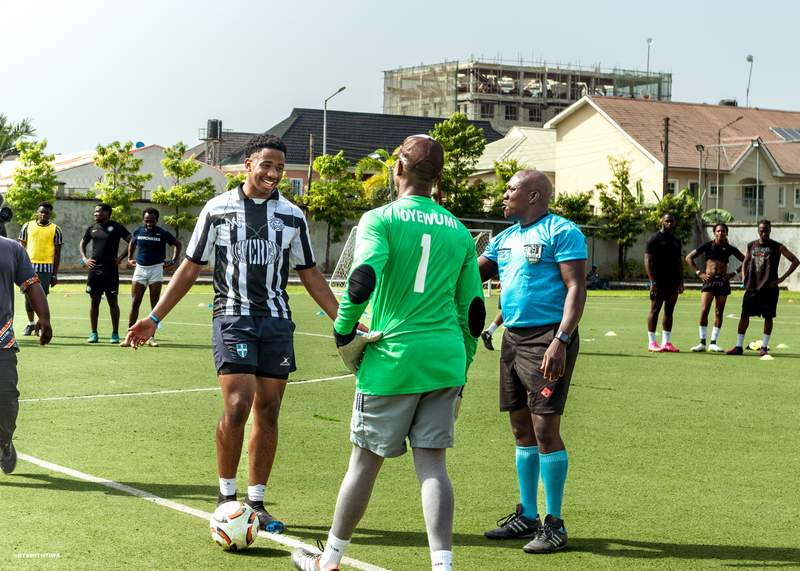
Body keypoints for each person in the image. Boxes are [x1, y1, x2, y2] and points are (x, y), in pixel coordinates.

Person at [126, 134, 340, 533]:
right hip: (232, 317)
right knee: (239, 405)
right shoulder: (218, 209)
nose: (274, 174)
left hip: (276, 321)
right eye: (267, 166)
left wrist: (341, 319)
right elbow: (190, 267)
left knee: (269, 410)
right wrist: (154, 318)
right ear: (248, 166)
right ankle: (227, 498)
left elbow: (310, 273)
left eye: (279, 167)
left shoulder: (293, 216)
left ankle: (256, 502)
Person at [290, 135, 485, 571]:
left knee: (363, 463)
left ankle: (330, 559)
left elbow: (362, 279)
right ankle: (443, 567)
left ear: (398, 169)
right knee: (433, 466)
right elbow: (472, 311)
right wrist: (464, 365)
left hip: (392, 358)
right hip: (445, 359)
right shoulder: (458, 230)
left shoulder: (380, 219)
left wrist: (343, 333)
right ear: (438, 178)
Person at [478, 170, 586, 554]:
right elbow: (472, 275)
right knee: (520, 428)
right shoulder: (504, 238)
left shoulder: (562, 231)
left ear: (534, 195)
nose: (504, 195)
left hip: (547, 338)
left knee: (544, 430)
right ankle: (527, 515)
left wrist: (561, 339)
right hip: (513, 338)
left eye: (511, 189)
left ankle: (554, 523)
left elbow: (576, 287)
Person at [0, 236, 52, 475]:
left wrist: (44, 317)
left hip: (1, 339)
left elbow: (31, 283)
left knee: (6, 396)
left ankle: (3, 442)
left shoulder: (11, 248)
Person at [726, 220, 799, 356]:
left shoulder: (777, 246)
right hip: (752, 288)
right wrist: (743, 275)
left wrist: (782, 279)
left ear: (770, 230)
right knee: (744, 316)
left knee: (768, 317)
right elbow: (746, 261)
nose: (764, 232)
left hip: (769, 289)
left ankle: (764, 347)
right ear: (758, 230)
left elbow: (795, 261)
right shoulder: (751, 245)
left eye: (766, 230)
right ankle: (738, 346)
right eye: (761, 230)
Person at [122, 208, 181, 347]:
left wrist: (174, 260)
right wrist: (130, 258)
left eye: (152, 221)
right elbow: (132, 242)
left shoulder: (162, 233)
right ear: (143, 220)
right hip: (140, 269)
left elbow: (177, 244)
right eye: (147, 220)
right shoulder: (138, 231)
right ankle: (128, 337)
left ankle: (151, 338)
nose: (149, 223)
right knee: (135, 302)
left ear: (157, 220)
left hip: (156, 269)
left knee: (154, 304)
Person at [685, 223, 744, 352]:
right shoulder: (708, 245)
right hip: (709, 281)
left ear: (726, 233)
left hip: (722, 282)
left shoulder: (730, 248)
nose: (720, 233)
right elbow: (689, 258)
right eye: (718, 231)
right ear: (714, 233)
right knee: (704, 310)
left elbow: (746, 260)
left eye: (723, 231)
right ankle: (702, 342)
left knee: (719, 312)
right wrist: (699, 273)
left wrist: (733, 273)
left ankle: (713, 342)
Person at [79, 203, 131, 344]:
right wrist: (85, 259)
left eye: (98, 212)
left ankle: (115, 334)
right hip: (94, 270)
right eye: (94, 212)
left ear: (107, 213)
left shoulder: (116, 227)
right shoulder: (92, 229)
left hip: (110, 270)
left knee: (112, 302)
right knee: (94, 302)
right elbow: (82, 243)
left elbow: (132, 241)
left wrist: (120, 258)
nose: (95, 214)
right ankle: (94, 333)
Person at [18, 202, 63, 336]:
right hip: (28, 267)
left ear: (50, 214)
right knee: (28, 297)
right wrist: (19, 267)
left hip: (46, 268)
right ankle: (31, 324)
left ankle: (40, 324)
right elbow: (21, 248)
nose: (44, 214)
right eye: (42, 212)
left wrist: (54, 274)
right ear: (37, 212)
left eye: (47, 212)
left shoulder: (56, 229)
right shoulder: (27, 226)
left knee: (41, 298)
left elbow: (57, 253)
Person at [644, 213, 684, 352]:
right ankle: (652, 342)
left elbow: (679, 262)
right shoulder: (654, 239)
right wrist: (652, 282)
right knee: (655, 310)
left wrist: (681, 281)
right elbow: (648, 261)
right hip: (658, 281)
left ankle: (666, 342)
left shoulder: (676, 241)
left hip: (673, 281)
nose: (670, 223)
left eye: (672, 221)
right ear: (661, 221)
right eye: (667, 221)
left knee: (669, 311)